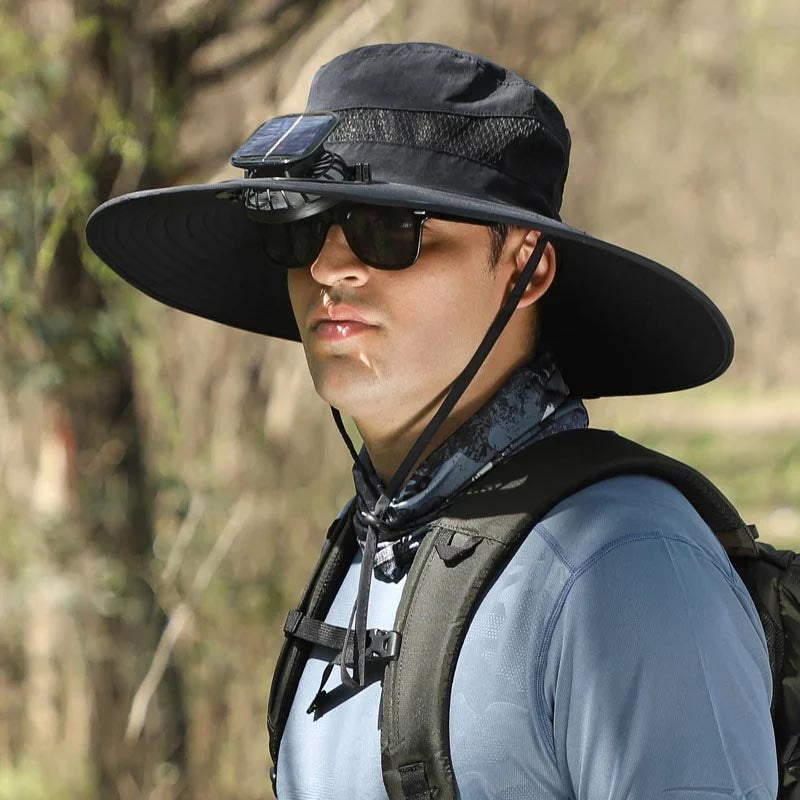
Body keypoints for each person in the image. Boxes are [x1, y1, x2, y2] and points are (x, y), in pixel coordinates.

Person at [87, 42, 778, 800]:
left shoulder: (625, 565)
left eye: (390, 229)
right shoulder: (365, 546)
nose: (328, 268)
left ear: (526, 267)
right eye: (299, 229)